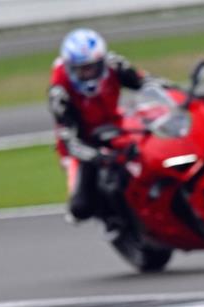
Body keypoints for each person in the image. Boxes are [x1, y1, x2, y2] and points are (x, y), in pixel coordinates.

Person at [48, 28, 145, 221]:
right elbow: (69, 141)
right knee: (80, 208)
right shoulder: (59, 91)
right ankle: (110, 220)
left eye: (91, 67)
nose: (87, 74)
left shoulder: (114, 65)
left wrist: (183, 96)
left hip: (116, 128)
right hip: (82, 143)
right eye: (81, 69)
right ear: (70, 68)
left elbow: (146, 82)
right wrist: (99, 157)